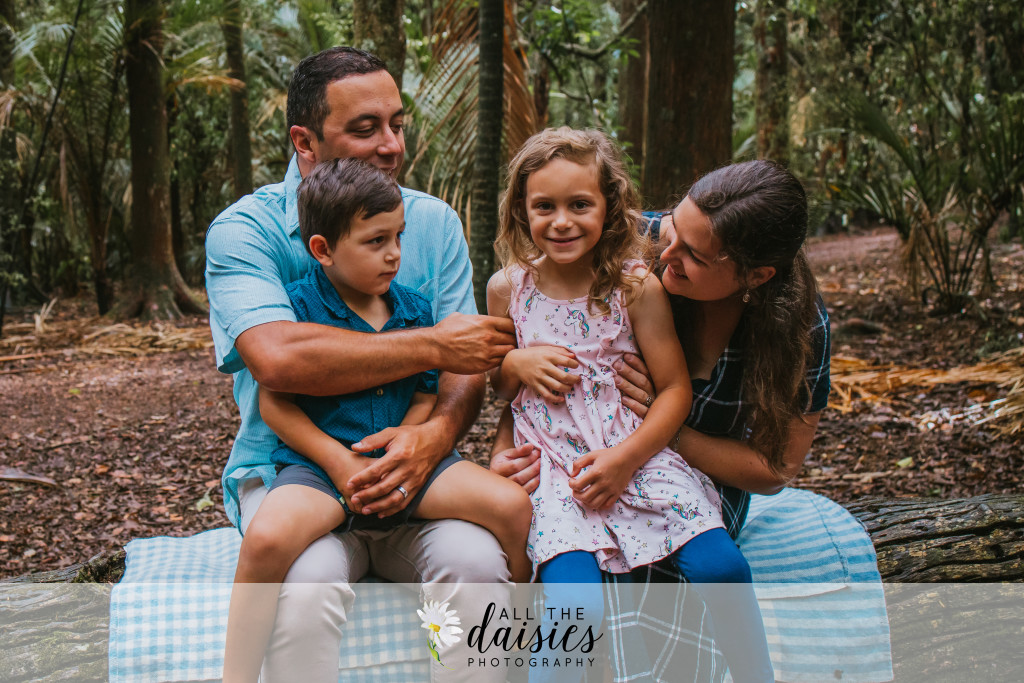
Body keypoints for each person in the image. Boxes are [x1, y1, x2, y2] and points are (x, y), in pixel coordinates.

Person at [205, 46, 517, 683]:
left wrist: (430, 438)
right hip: (298, 469)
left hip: (415, 467)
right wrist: (433, 345)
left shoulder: (431, 221)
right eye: (365, 128)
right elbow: (279, 362)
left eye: (397, 124)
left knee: (479, 569)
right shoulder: (245, 231)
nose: (392, 145)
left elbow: (463, 370)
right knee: (304, 593)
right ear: (305, 141)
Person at [491, 158, 831, 681]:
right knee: (582, 601)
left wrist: (646, 442)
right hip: (562, 467)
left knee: (701, 572)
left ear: (756, 276)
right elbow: (508, 389)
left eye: (694, 255)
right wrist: (504, 438)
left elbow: (774, 468)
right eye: (673, 228)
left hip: (661, 459)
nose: (663, 254)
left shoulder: (799, 326)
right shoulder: (614, 241)